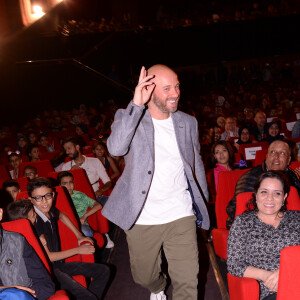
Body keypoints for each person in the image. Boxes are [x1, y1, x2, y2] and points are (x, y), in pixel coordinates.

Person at [102, 65, 210, 300]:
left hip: (180, 212)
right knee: (144, 276)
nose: (176, 93)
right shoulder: (129, 116)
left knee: (188, 281)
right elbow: (115, 148)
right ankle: (158, 287)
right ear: (149, 91)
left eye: (177, 86)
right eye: (167, 88)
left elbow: (195, 161)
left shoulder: (187, 122)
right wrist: (136, 104)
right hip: (144, 216)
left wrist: (203, 199)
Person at [28, 177, 111, 300]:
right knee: (87, 297)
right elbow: (49, 256)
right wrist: (78, 250)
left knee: (103, 271)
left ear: (53, 195)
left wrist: (79, 235)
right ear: (31, 200)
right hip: (47, 272)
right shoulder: (34, 221)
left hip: (57, 265)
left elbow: (61, 215)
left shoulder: (49, 211)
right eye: (38, 198)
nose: (44, 201)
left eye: (47, 196)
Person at [227, 171, 300, 300]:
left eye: (277, 193)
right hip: (270, 289)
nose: (270, 198)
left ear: (284, 197)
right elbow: (234, 264)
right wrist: (266, 275)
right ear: (256, 195)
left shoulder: (297, 218)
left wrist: (284, 273)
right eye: (264, 192)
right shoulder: (243, 222)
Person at [226, 140, 300, 228]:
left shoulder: (292, 176)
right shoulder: (250, 178)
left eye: (282, 153)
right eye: (272, 152)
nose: (276, 157)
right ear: (267, 156)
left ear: (288, 160)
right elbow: (237, 211)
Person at [0, 199, 55, 300]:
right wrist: (8, 290)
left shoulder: (17, 242)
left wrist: (20, 293)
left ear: (0, 213)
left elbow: (45, 285)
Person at [57, 171, 102, 238]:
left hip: (80, 224)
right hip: (63, 225)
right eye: (65, 183)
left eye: (71, 182)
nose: (69, 186)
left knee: (87, 232)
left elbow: (98, 205)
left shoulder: (80, 195)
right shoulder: (57, 197)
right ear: (60, 185)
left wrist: (85, 216)